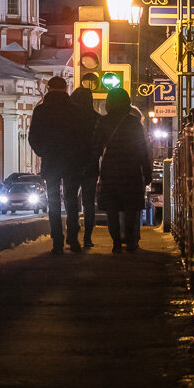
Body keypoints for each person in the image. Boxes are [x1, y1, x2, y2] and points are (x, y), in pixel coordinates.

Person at [28, 75, 82, 254]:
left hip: (50, 162)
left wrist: (44, 152)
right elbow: (82, 138)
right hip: (72, 162)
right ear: (67, 89)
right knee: (72, 200)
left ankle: (57, 241)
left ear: (48, 89)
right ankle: (73, 240)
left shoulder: (41, 111)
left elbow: (33, 137)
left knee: (53, 201)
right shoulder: (75, 111)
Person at [96, 87, 149, 253]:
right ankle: (131, 242)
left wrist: (94, 169)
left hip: (110, 169)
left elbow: (96, 148)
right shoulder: (133, 123)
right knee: (130, 208)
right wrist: (147, 173)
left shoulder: (103, 122)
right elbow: (142, 150)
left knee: (112, 209)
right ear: (127, 103)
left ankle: (116, 243)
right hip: (131, 170)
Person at [69, 86, 102, 249]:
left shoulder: (69, 119)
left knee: (71, 201)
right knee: (89, 203)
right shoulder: (96, 118)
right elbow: (99, 145)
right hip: (90, 166)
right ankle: (87, 237)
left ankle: (72, 235)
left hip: (71, 166)